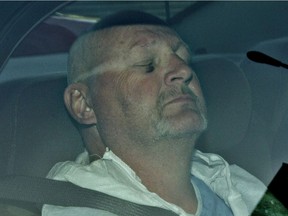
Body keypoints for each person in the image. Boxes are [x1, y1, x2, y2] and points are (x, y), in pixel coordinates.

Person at [42, 11, 266, 216]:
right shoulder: (79, 211)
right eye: (147, 64)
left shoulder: (237, 181)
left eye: (184, 59)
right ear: (84, 104)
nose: (184, 71)